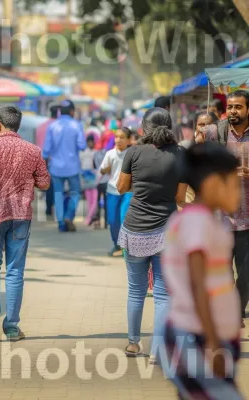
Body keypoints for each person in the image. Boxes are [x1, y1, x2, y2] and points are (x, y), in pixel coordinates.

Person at [162, 142, 242, 400]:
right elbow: (199, 284)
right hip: (199, 335)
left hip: (204, 335)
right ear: (212, 184)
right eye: (234, 183)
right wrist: (212, 342)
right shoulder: (197, 222)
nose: (239, 192)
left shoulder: (198, 220)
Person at [116, 107, 187, 360]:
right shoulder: (180, 155)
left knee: (135, 291)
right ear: (169, 126)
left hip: (134, 229)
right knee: (162, 293)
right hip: (167, 230)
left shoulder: (133, 152)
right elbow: (180, 197)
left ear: (144, 127)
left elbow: (121, 187)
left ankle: (133, 344)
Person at [0, 106, 50, 341]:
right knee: (15, 270)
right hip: (21, 216)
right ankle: (11, 327)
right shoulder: (33, 150)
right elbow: (45, 183)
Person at [196, 90, 249, 328]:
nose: (232, 111)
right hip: (220, 218)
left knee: (246, 274)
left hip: (248, 219)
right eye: (230, 107)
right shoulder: (217, 132)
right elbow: (196, 144)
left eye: (238, 107)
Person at [42, 100, 86, 232]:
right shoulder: (77, 125)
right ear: (72, 111)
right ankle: (68, 216)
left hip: (55, 167)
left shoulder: (53, 126)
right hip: (72, 166)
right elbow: (82, 146)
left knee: (58, 194)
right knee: (75, 193)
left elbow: (46, 150)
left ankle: (61, 223)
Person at [101, 127, 133, 257]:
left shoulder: (132, 153)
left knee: (124, 217)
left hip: (128, 191)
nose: (118, 140)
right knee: (113, 220)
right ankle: (117, 244)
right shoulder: (110, 154)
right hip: (113, 191)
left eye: (122, 137)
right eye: (116, 137)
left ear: (128, 140)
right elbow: (102, 171)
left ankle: (127, 247)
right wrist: (108, 167)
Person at [80, 134, 97, 226]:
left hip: (94, 178)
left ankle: (90, 217)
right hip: (86, 178)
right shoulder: (83, 153)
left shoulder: (96, 152)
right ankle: (91, 217)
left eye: (92, 141)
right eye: (89, 142)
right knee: (89, 200)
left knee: (94, 199)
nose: (91, 143)